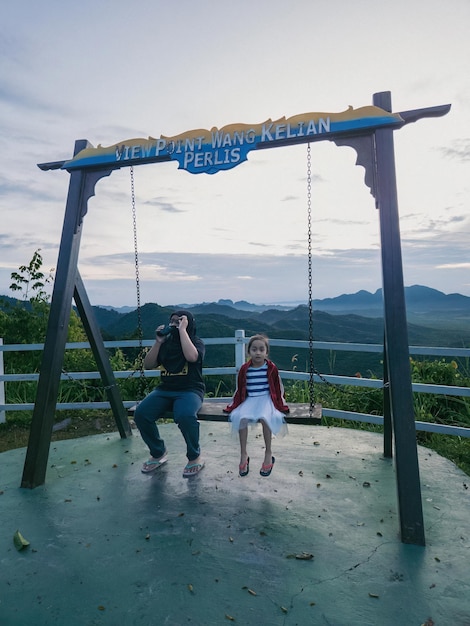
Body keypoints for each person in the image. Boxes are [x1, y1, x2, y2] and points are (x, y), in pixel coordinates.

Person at [134, 310, 205, 477]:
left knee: (185, 416)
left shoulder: (196, 342)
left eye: (179, 321)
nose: (174, 324)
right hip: (165, 389)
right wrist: (158, 342)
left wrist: (182, 331)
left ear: (189, 324)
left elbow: (192, 357)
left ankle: (194, 457)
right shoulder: (166, 344)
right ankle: (158, 452)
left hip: (190, 390)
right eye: (172, 321)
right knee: (141, 413)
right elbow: (149, 364)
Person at [223, 334, 289, 477]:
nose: (258, 353)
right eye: (254, 349)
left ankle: (268, 452)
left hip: (266, 399)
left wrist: (280, 402)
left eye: (261, 349)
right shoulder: (245, 369)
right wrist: (236, 404)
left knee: (266, 418)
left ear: (266, 352)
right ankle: (243, 453)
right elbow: (240, 389)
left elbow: (277, 387)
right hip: (250, 399)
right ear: (249, 352)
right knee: (241, 418)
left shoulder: (271, 368)